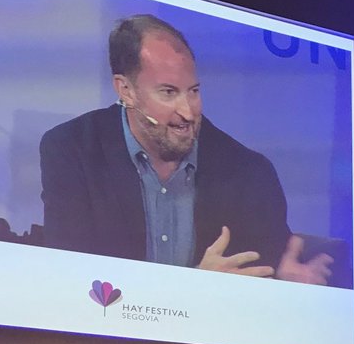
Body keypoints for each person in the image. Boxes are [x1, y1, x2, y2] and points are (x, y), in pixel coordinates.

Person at [39, 14, 333, 285]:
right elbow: (71, 283)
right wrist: (194, 289)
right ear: (125, 90)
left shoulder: (249, 172)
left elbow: (266, 278)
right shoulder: (71, 150)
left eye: (194, 91)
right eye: (169, 92)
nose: (188, 112)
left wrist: (286, 285)